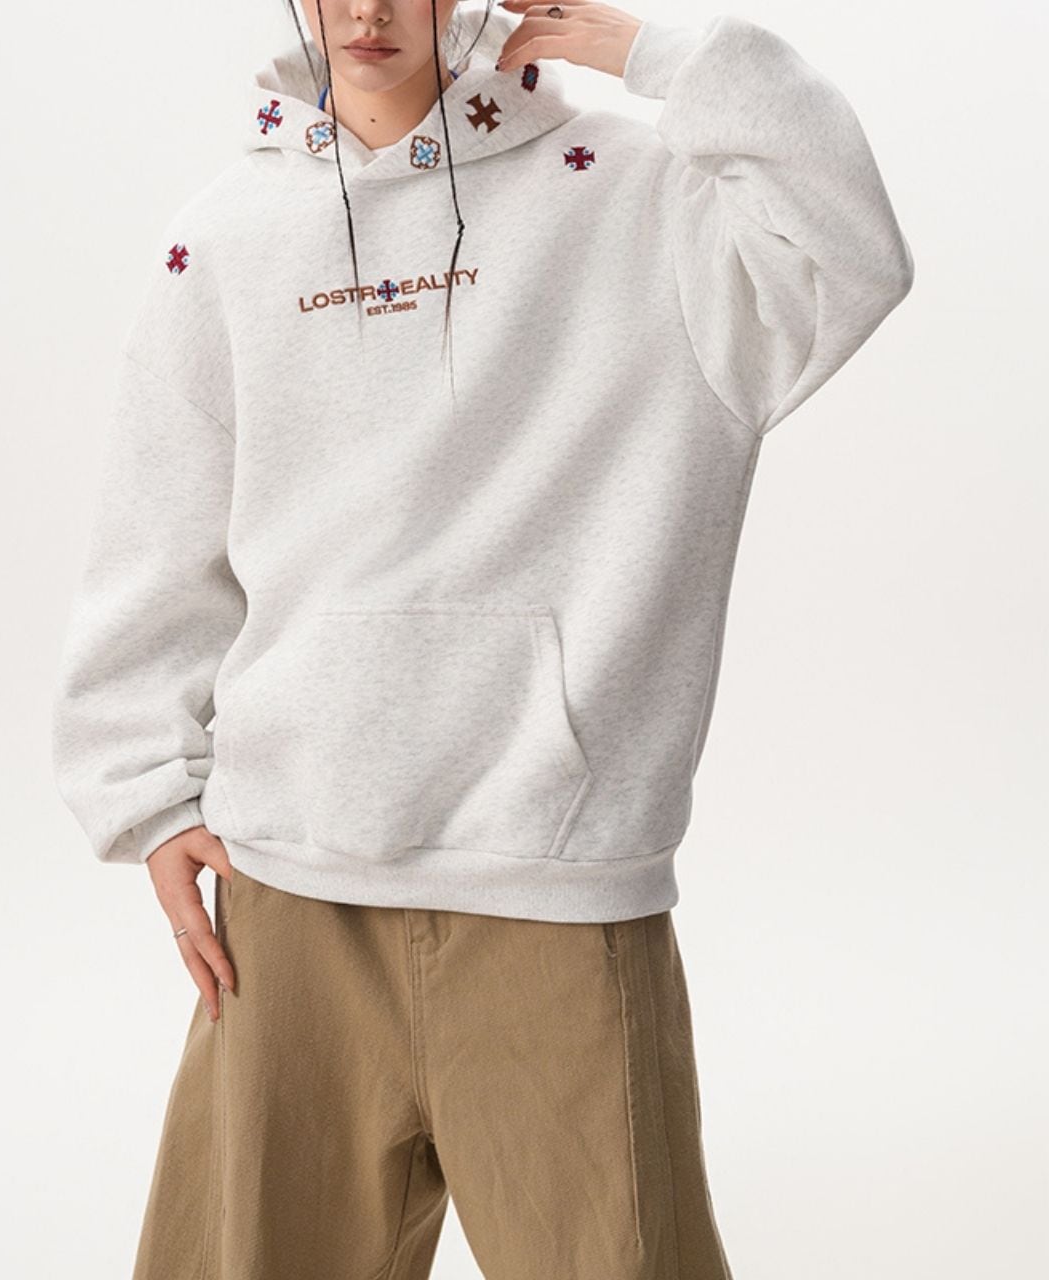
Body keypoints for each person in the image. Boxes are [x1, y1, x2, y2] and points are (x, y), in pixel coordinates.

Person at [50, 2, 914, 1275]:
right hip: (288, 892)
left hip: (555, 886)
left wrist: (651, 56)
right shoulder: (228, 234)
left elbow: (849, 248)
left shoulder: (643, 202)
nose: (368, 10)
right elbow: (159, 524)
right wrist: (142, 786)